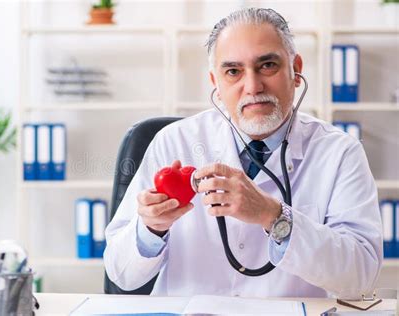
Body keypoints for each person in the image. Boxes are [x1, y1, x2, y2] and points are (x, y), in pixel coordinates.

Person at [104, 8, 382, 299]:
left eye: (267, 65)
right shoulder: (174, 142)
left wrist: (273, 216)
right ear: (216, 83)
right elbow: (120, 273)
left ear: (296, 69)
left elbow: (360, 277)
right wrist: (152, 229)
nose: (252, 86)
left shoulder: (339, 153)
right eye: (233, 71)